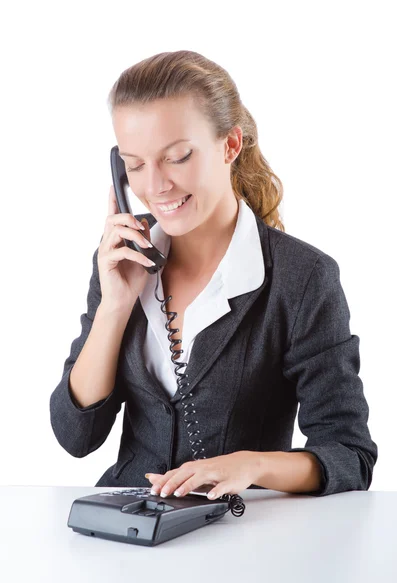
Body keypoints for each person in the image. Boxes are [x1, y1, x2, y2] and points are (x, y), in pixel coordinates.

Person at [49, 50, 378, 500]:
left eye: (178, 157)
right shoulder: (123, 258)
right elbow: (75, 436)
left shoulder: (303, 279)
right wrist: (115, 306)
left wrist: (253, 465)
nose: (156, 186)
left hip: (239, 538)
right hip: (128, 536)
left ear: (230, 145)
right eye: (135, 164)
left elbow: (350, 455)